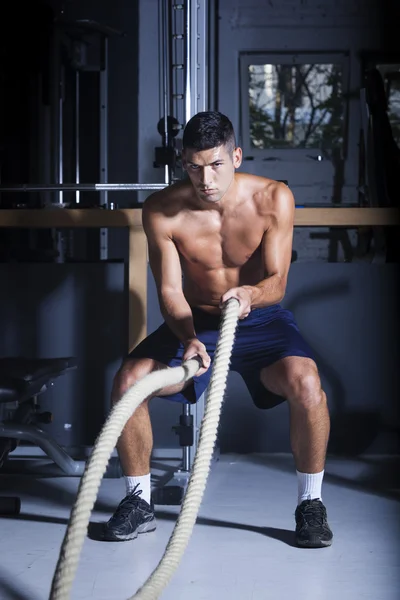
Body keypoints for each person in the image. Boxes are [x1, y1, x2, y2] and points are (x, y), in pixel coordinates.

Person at [103, 111, 333, 548]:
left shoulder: (273, 197)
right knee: (128, 382)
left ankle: (311, 505)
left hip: (260, 317)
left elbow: (278, 282)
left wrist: (249, 294)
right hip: (198, 322)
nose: (205, 178)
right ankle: (138, 503)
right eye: (193, 166)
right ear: (182, 163)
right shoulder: (161, 211)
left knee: (307, 385)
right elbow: (170, 291)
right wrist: (188, 335)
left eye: (215, 165)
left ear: (236, 156)